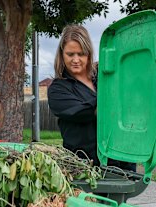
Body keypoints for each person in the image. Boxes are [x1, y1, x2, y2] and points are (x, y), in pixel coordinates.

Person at [48, 25, 136, 172]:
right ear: (62, 55)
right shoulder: (58, 89)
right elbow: (80, 112)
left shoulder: (103, 80)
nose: (75, 60)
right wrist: (109, 103)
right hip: (84, 169)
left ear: (88, 54)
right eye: (70, 54)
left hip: (121, 163)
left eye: (81, 54)